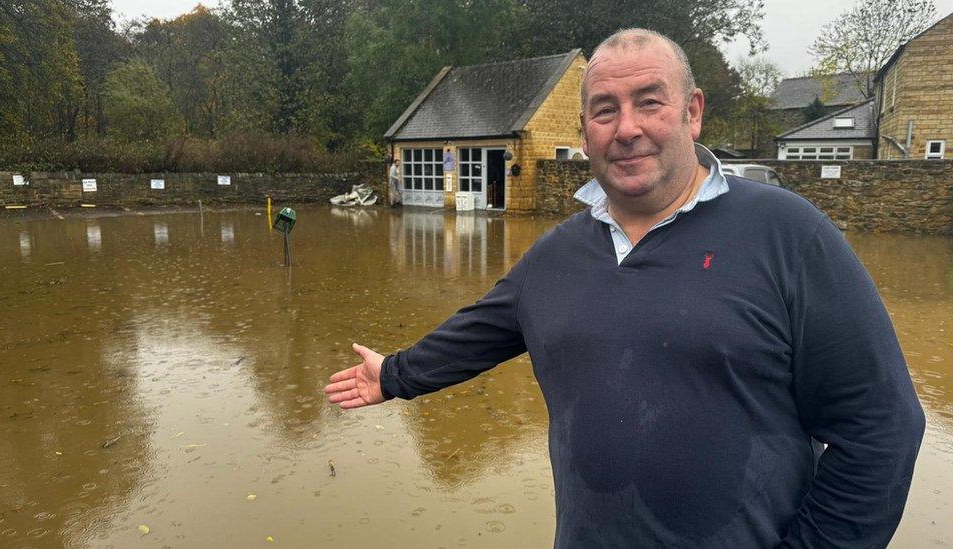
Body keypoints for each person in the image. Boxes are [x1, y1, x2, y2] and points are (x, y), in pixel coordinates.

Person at [325, 28, 925, 548]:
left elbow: (881, 429)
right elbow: (482, 331)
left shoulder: (788, 234)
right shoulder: (557, 253)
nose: (627, 128)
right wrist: (396, 376)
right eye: (605, 110)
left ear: (692, 111)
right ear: (584, 133)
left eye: (649, 102)